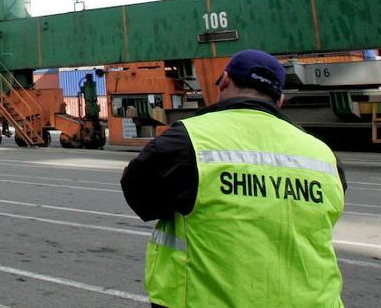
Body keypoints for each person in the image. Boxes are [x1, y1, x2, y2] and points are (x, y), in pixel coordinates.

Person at [120, 49, 346, 308]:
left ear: (224, 81)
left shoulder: (189, 139)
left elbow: (141, 198)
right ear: (280, 99)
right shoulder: (321, 154)